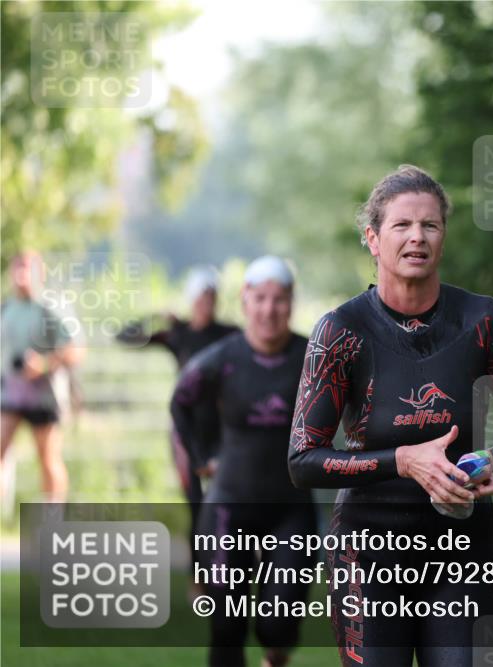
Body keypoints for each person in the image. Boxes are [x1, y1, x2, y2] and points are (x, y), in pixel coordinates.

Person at [287, 165, 493, 665]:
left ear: (443, 237)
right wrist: (404, 460)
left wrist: (489, 460)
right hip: (368, 551)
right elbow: (303, 460)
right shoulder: (340, 331)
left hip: (462, 547)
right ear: (373, 238)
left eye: (430, 225)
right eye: (401, 225)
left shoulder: (484, 320)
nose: (417, 237)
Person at [171, 256, 313, 667]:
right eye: (261, 298)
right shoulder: (222, 358)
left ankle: (276, 653)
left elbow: (357, 403)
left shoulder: (312, 357)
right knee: (226, 625)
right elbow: (180, 403)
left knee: (277, 624)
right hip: (228, 509)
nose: (270, 310)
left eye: (280, 299)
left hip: (291, 511)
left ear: (292, 302)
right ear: (245, 301)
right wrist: (200, 458)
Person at [118, 265, 239, 583]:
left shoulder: (228, 334)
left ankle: (231, 572)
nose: (206, 303)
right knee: (196, 506)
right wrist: (157, 316)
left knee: (227, 502)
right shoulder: (178, 333)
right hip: (186, 434)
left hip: (223, 433)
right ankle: (200, 579)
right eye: (201, 297)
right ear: (191, 299)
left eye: (212, 297)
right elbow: (125, 337)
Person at [1, 251, 85, 503]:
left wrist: (44, 364)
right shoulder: (7, 307)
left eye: (27, 268)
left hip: (45, 396)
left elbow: (77, 349)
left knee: (47, 458)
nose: (21, 274)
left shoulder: (52, 307)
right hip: (11, 392)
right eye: (18, 267)